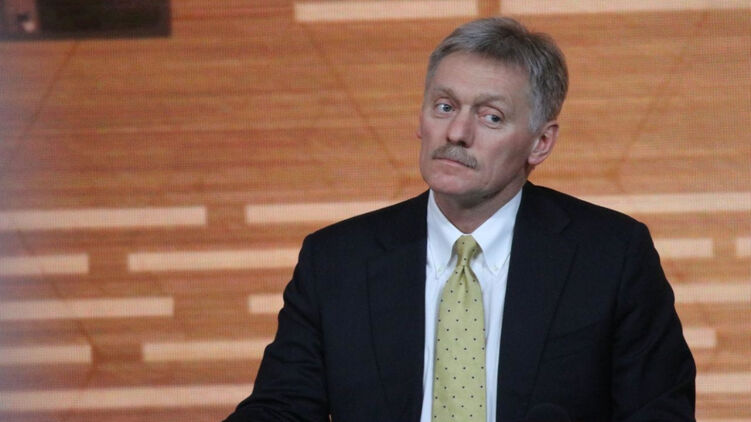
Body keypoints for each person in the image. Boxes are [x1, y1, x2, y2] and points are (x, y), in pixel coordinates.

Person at [224, 17, 696, 422]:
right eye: (445, 106)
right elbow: (283, 407)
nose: (457, 132)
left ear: (540, 143)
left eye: (491, 117)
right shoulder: (335, 261)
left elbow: (658, 412)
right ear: (421, 118)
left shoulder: (611, 256)